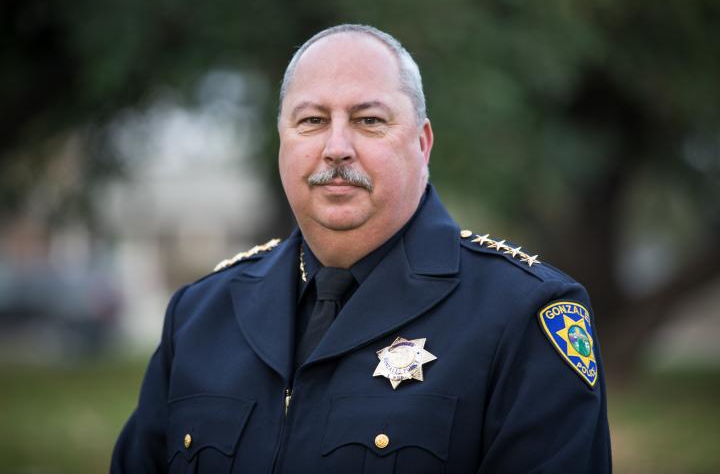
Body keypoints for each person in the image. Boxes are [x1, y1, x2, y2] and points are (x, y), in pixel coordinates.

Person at [112, 24, 611, 473]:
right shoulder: (200, 316)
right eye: (310, 121)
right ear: (282, 140)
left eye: (369, 120)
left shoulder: (522, 315)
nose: (336, 147)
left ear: (422, 142)